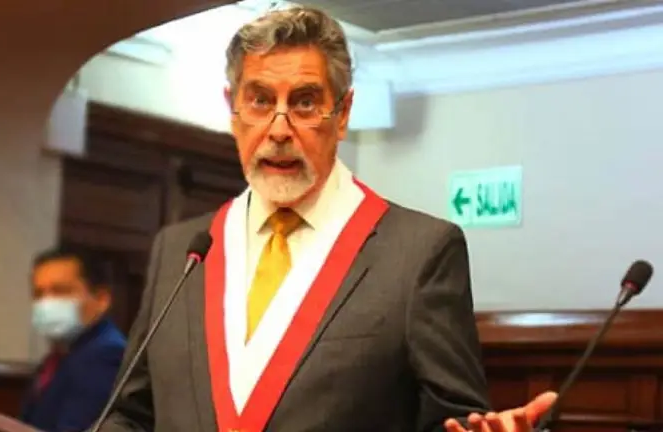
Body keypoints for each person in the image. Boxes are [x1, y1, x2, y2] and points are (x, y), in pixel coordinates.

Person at [99, 6, 556, 432]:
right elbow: (131, 414)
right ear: (233, 110)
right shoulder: (182, 249)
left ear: (342, 114)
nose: (279, 129)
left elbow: (451, 420)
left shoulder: (419, 253)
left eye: (304, 102)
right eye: (260, 101)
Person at [20, 247, 126, 432]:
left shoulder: (105, 354)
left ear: (101, 299)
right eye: (38, 294)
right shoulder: (62, 354)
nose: (46, 303)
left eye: (61, 291)